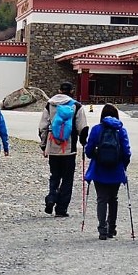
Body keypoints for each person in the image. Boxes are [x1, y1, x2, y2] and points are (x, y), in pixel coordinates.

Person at [38, 80, 89, 217]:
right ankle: (61, 209)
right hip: (69, 149)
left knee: (54, 176)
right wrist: (84, 143)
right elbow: (82, 128)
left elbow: (42, 127)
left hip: (53, 147)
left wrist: (44, 145)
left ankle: (51, 197)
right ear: (71, 91)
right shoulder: (76, 106)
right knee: (67, 179)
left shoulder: (50, 105)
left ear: (59, 90)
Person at [84, 103, 131, 239]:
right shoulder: (121, 130)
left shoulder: (96, 129)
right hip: (116, 169)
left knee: (101, 199)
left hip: (99, 169)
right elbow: (127, 152)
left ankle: (102, 229)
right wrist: (124, 165)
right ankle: (112, 228)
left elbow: (88, 151)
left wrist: (96, 155)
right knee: (113, 198)